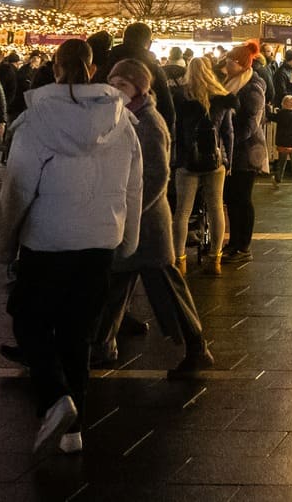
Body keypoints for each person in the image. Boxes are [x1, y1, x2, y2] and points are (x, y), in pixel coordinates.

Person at [0, 37, 142, 456]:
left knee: (29, 321)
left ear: (55, 68)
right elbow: (134, 182)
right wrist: (127, 234)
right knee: (78, 332)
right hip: (99, 238)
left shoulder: (36, 120)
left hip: (47, 238)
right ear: (93, 68)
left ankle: (56, 397)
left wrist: (5, 243)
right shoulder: (120, 120)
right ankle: (76, 430)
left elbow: (17, 188)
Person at [96, 59, 213, 377]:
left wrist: (129, 212)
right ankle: (101, 345)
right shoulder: (124, 116)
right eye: (112, 82)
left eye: (122, 84)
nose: (115, 89)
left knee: (167, 288)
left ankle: (196, 345)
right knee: (114, 286)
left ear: (139, 87)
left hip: (145, 224)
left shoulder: (147, 121)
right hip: (129, 221)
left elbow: (156, 174)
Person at [172, 56, 231, 273]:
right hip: (215, 161)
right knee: (216, 208)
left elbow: (176, 131)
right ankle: (215, 258)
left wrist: (176, 159)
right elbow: (227, 132)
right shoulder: (221, 96)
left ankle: (180, 260)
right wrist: (228, 159)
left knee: (182, 212)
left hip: (187, 161)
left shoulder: (180, 96)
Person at [220, 42, 269, 257]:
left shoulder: (252, 87)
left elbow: (250, 122)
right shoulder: (229, 82)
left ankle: (243, 244)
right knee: (231, 197)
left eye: (231, 62)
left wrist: (231, 140)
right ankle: (234, 242)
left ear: (241, 64)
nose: (227, 65)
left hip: (247, 151)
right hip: (231, 149)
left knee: (242, 197)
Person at [113, 22, 176, 128]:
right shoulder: (154, 71)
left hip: (108, 134)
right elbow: (167, 110)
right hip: (143, 133)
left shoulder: (106, 65)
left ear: (124, 40)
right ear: (149, 43)